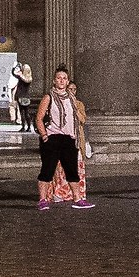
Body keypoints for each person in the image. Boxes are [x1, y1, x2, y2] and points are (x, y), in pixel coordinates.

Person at [33, 65, 92, 209]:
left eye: (64, 78)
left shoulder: (72, 98)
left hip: (68, 138)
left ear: (67, 81)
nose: (61, 80)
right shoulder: (48, 97)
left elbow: (78, 118)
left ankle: (78, 199)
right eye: (59, 78)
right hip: (53, 137)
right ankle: (42, 200)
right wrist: (45, 136)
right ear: (54, 81)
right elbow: (39, 118)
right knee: (47, 170)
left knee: (72, 170)